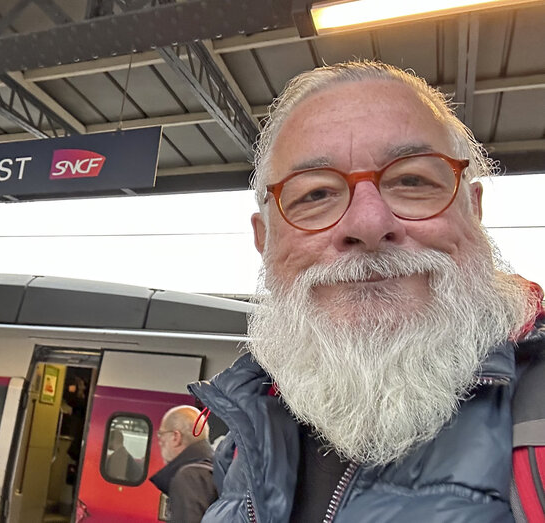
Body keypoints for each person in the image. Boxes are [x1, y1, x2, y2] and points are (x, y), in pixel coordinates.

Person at [189, 60, 545, 522]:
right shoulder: (247, 434)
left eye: (412, 180)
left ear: (472, 209)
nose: (368, 224)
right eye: (315, 195)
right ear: (264, 239)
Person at [149, 406, 217, 523]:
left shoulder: (189, 477)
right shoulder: (215, 467)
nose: (160, 442)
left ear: (176, 437)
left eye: (161, 435)